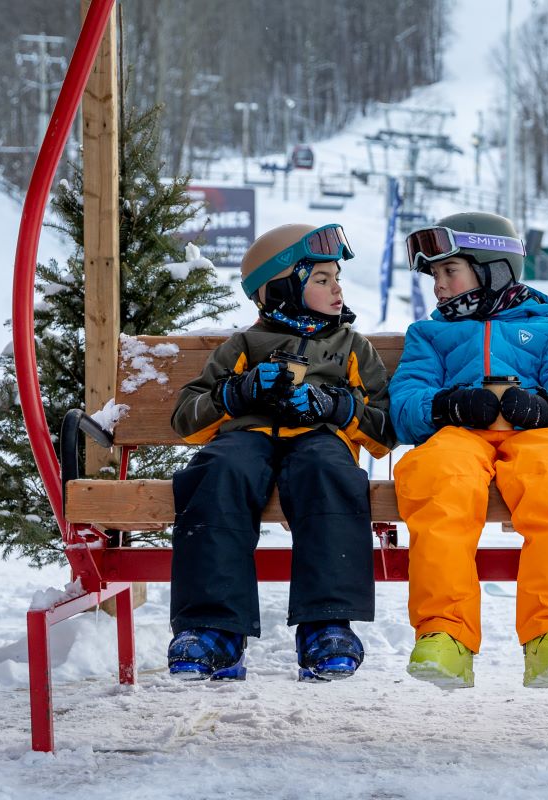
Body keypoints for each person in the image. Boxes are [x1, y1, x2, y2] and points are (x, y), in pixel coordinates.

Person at [167, 223, 396, 682]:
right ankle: (213, 630)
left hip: (319, 440)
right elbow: (186, 419)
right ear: (280, 289)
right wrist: (239, 393)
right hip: (245, 438)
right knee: (217, 471)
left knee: (330, 473)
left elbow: (386, 428)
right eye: (322, 279)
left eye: (337, 278)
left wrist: (336, 405)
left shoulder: (351, 346)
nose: (337, 289)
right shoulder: (245, 345)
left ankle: (327, 623)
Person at [389, 212, 548, 689]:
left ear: (493, 268)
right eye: (434, 275)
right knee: (439, 483)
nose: (438, 287)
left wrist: (542, 406)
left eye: (449, 272)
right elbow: (404, 407)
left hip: (533, 436)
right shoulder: (430, 335)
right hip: (459, 436)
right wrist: (449, 404)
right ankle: (445, 634)